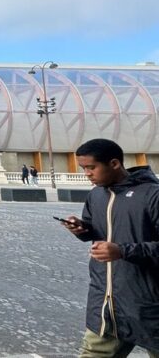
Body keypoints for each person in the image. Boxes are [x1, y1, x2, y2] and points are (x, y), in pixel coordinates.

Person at [61, 138, 159, 357]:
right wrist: (82, 229)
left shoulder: (153, 195)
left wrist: (122, 251)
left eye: (91, 167)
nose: (87, 173)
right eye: (83, 168)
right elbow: (98, 233)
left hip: (149, 306)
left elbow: (120, 245)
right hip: (106, 306)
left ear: (114, 164)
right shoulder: (96, 195)